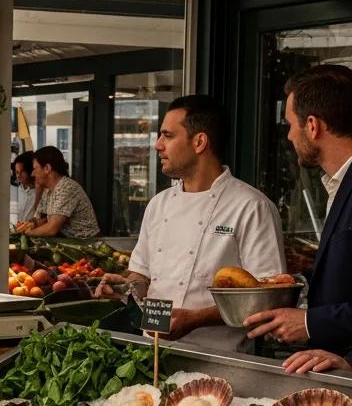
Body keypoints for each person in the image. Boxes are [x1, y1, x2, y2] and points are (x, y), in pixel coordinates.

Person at [96, 94, 285, 350]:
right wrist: (126, 287)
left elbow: (267, 298)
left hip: (219, 359)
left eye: (168, 136)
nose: (157, 145)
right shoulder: (158, 204)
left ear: (199, 142)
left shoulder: (251, 206)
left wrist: (196, 319)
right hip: (151, 351)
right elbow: (143, 276)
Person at [245, 65, 352, 374]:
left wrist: (308, 322)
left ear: (313, 125)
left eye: (290, 125)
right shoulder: (337, 184)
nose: (290, 136)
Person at [17, 146, 99, 238]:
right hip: (67, 241)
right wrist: (30, 225)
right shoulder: (48, 189)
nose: (32, 173)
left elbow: (51, 229)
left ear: (47, 168)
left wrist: (27, 233)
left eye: (35, 168)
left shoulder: (66, 187)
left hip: (85, 243)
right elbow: (43, 219)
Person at [12, 152, 45, 232]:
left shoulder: (42, 192)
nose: (18, 176)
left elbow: (41, 217)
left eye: (22, 172)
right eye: (17, 172)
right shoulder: (16, 191)